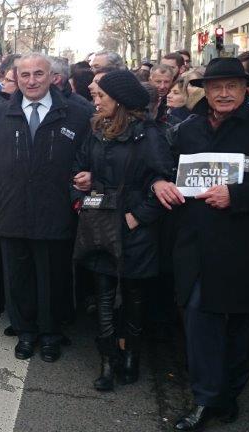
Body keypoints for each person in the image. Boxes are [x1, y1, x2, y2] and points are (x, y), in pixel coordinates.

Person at [150, 58, 249, 430]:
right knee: (200, 322)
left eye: (232, 85)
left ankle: (227, 395)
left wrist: (239, 196)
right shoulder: (188, 130)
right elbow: (163, 169)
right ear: (205, 89)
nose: (223, 93)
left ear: (246, 87)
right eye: (216, 86)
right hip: (196, 246)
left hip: (248, 249)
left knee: (244, 331)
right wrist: (159, 183)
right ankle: (205, 399)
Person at [0, 53, 92, 363]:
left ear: (53, 77)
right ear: (16, 76)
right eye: (24, 75)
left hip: (56, 212)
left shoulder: (77, 114)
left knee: (53, 277)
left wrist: (88, 177)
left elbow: (91, 159)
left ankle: (50, 333)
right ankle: (25, 331)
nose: (31, 81)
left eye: (38, 74)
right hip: (11, 211)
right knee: (18, 277)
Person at [71, 70, 170, 391]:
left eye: (101, 96)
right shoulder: (96, 129)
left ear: (120, 100)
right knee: (102, 296)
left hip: (134, 228)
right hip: (101, 223)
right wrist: (82, 180)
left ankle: (132, 357)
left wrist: (136, 217)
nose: (95, 101)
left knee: (133, 297)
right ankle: (108, 361)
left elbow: (162, 182)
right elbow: (81, 166)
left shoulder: (149, 135)